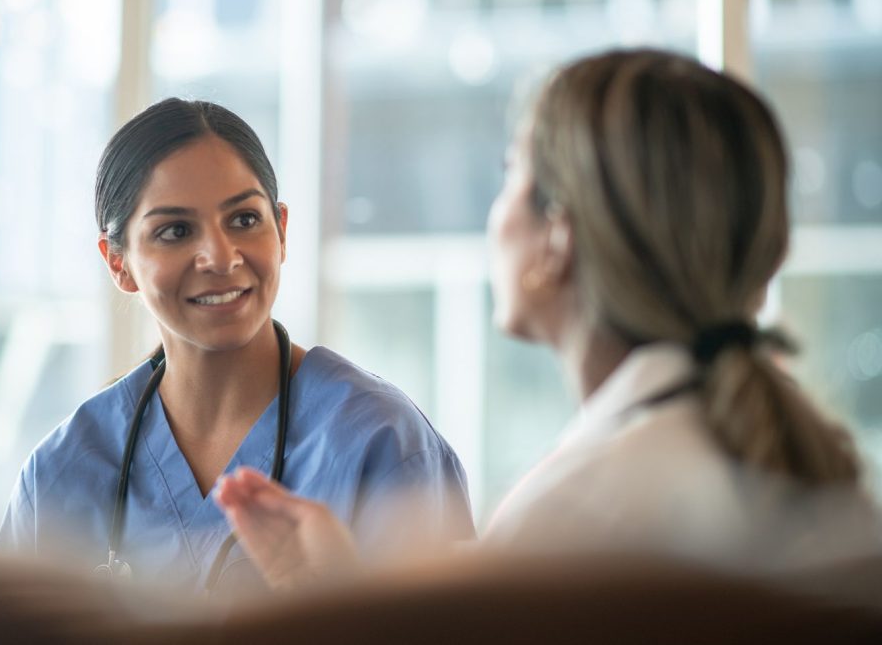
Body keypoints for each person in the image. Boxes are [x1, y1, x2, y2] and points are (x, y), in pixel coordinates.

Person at [214, 48, 881, 590]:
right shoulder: (786, 460)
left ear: (557, 237)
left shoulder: (578, 514)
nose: (495, 212)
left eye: (510, 174)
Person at [0, 99, 474, 594]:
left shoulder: (382, 446)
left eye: (244, 220)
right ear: (118, 263)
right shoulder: (61, 475)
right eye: (175, 231)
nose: (220, 257)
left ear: (282, 230)